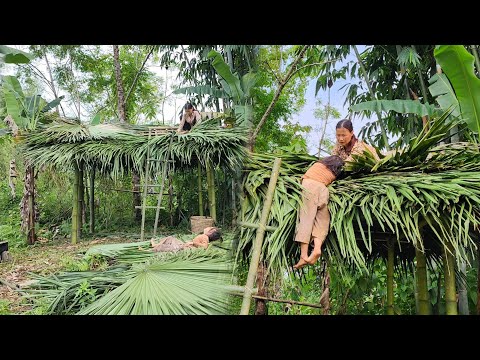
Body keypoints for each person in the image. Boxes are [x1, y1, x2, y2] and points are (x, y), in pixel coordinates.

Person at [293, 155, 344, 270]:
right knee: (322, 220)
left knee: (307, 219)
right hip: (323, 189)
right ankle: (317, 248)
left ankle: (303, 255)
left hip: (310, 186)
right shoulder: (334, 172)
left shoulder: (318, 165)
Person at [150, 226, 221, 252]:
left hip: (185, 248)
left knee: (166, 247)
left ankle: (151, 249)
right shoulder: (204, 237)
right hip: (185, 245)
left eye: (210, 227)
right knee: (170, 238)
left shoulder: (205, 237)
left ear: (211, 232)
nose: (207, 227)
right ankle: (155, 245)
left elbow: (205, 247)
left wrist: (193, 243)